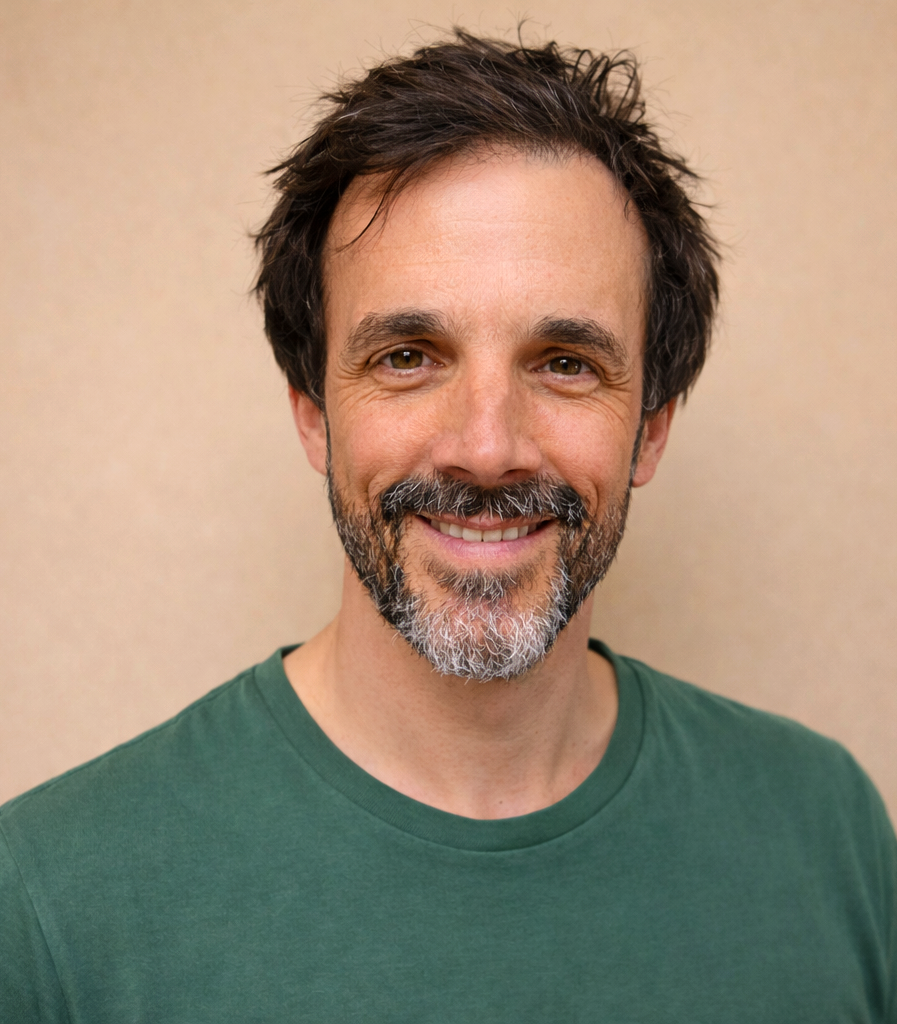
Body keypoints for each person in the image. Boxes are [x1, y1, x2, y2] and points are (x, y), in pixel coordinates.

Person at [1, 29, 894, 1024]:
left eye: (564, 363)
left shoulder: (830, 834)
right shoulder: (49, 899)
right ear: (313, 413)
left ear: (650, 429)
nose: (485, 448)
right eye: (408, 356)